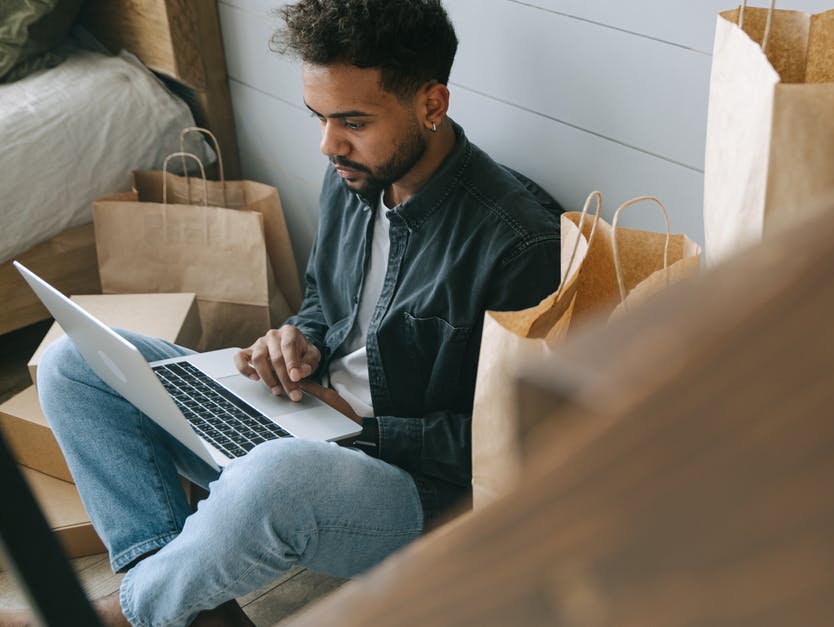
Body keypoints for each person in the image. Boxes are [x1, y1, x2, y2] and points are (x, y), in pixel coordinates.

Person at [11, 1, 562, 625]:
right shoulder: (354, 176)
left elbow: (511, 441)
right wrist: (295, 341)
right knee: (73, 364)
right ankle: (191, 609)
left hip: (406, 486)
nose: (328, 144)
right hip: (302, 421)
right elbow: (325, 309)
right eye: (320, 117)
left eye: (352, 119)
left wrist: (360, 424)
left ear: (432, 105)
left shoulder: (519, 245)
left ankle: (111, 615)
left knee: (275, 478)